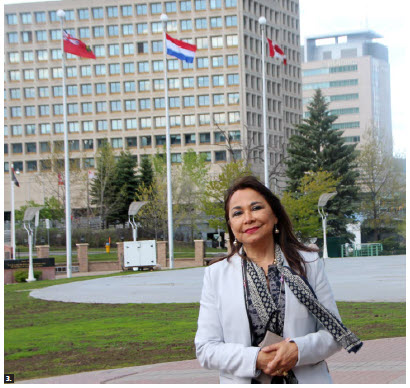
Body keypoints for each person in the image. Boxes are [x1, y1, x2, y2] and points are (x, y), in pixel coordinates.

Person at [195, 176, 362, 384]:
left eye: (256, 208)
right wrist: (254, 359)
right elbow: (206, 348)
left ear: (275, 215)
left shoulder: (307, 264)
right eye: (238, 213)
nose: (248, 218)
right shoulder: (216, 274)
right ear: (231, 225)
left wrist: (298, 349)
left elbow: (333, 333)